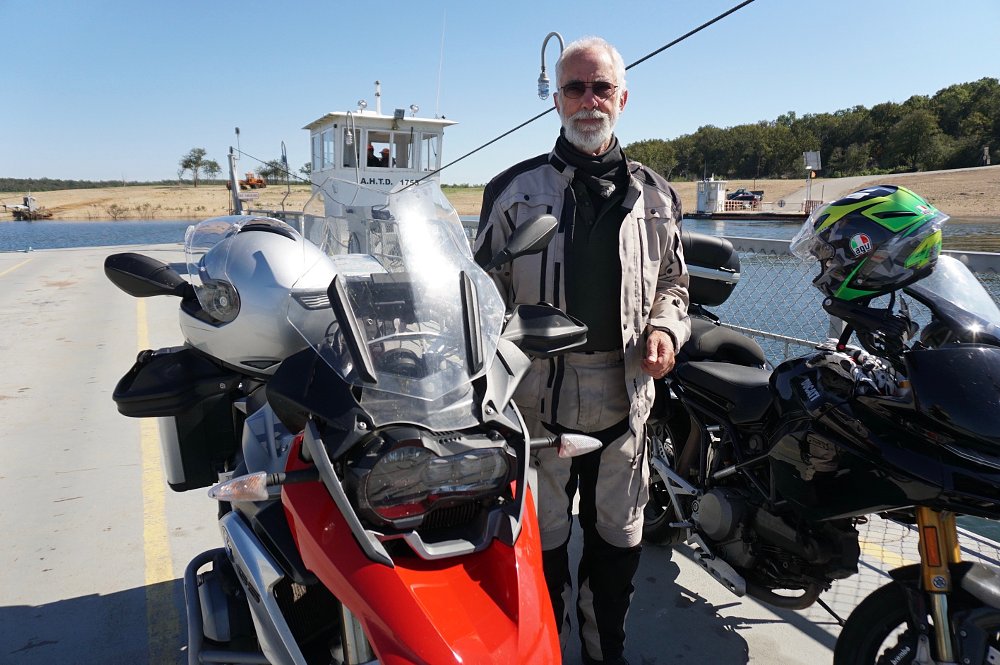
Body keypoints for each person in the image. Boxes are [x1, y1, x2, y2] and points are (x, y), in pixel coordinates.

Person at [474, 36, 690, 665]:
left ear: (623, 97)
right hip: (538, 410)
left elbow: (676, 284)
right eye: (575, 87)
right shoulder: (513, 190)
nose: (588, 101)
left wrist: (665, 330)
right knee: (541, 552)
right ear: (557, 101)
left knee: (615, 552)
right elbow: (479, 295)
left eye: (601, 88)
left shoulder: (657, 194)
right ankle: (548, 653)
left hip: (625, 404)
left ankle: (604, 655)